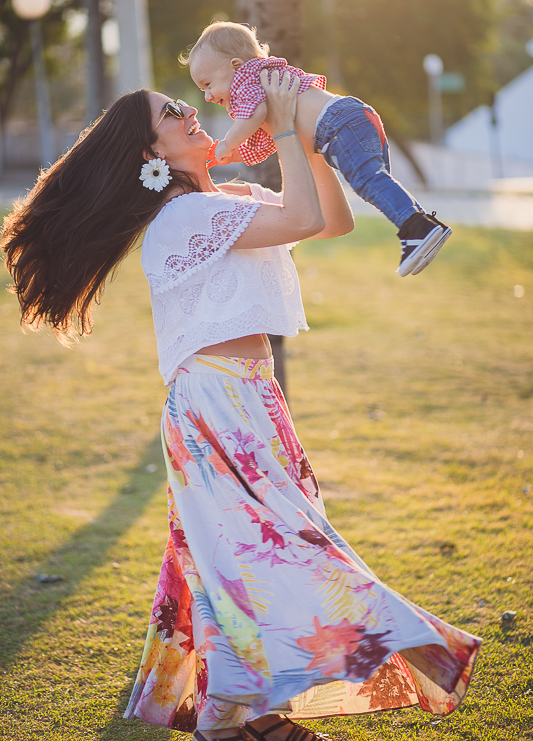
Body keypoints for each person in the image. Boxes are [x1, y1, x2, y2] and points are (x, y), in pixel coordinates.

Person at [2, 74, 480, 741]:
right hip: (213, 402)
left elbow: (329, 220)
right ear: (152, 154)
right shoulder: (182, 218)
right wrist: (284, 123)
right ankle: (242, 714)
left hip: (249, 396)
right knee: (273, 552)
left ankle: (233, 718)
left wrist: (308, 137)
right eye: (172, 114)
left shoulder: (224, 201)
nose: (190, 111)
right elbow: (305, 217)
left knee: (237, 561)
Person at [185, 21, 452, 278]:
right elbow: (269, 138)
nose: (207, 96)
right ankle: (421, 225)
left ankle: (416, 228)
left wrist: (228, 143)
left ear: (236, 65)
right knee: (375, 183)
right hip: (351, 117)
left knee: (368, 181)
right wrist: (235, 154)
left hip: (336, 124)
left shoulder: (248, 79)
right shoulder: (263, 83)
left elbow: (254, 114)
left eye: (208, 85)